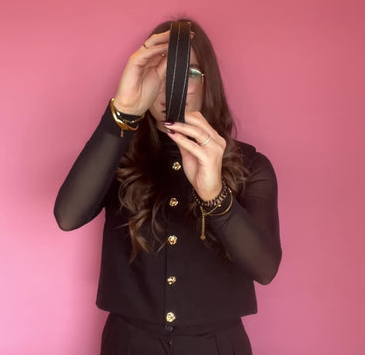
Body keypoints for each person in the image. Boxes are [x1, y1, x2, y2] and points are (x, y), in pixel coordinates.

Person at [54, 19, 282, 355]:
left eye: (187, 73)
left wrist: (215, 196)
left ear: (208, 82)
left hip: (217, 346)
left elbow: (265, 268)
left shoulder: (251, 164)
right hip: (129, 343)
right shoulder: (117, 156)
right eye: (158, 74)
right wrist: (122, 114)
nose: (169, 88)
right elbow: (68, 215)